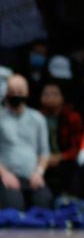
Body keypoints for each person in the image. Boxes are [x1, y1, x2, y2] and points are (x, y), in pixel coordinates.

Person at [0, 75, 54, 210]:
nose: (15, 95)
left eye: (19, 92)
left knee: (46, 207)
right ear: (6, 93)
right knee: (14, 209)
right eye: (12, 91)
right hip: (7, 176)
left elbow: (44, 153)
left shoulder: (38, 118)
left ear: (26, 93)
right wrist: (4, 174)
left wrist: (39, 172)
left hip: (32, 175)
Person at [38, 82, 83, 197]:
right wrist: (44, 159)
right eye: (46, 94)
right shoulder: (35, 117)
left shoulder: (72, 118)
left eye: (55, 94)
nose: (50, 98)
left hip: (64, 160)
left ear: (62, 99)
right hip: (40, 161)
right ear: (40, 98)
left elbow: (77, 148)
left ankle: (71, 199)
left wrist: (60, 157)